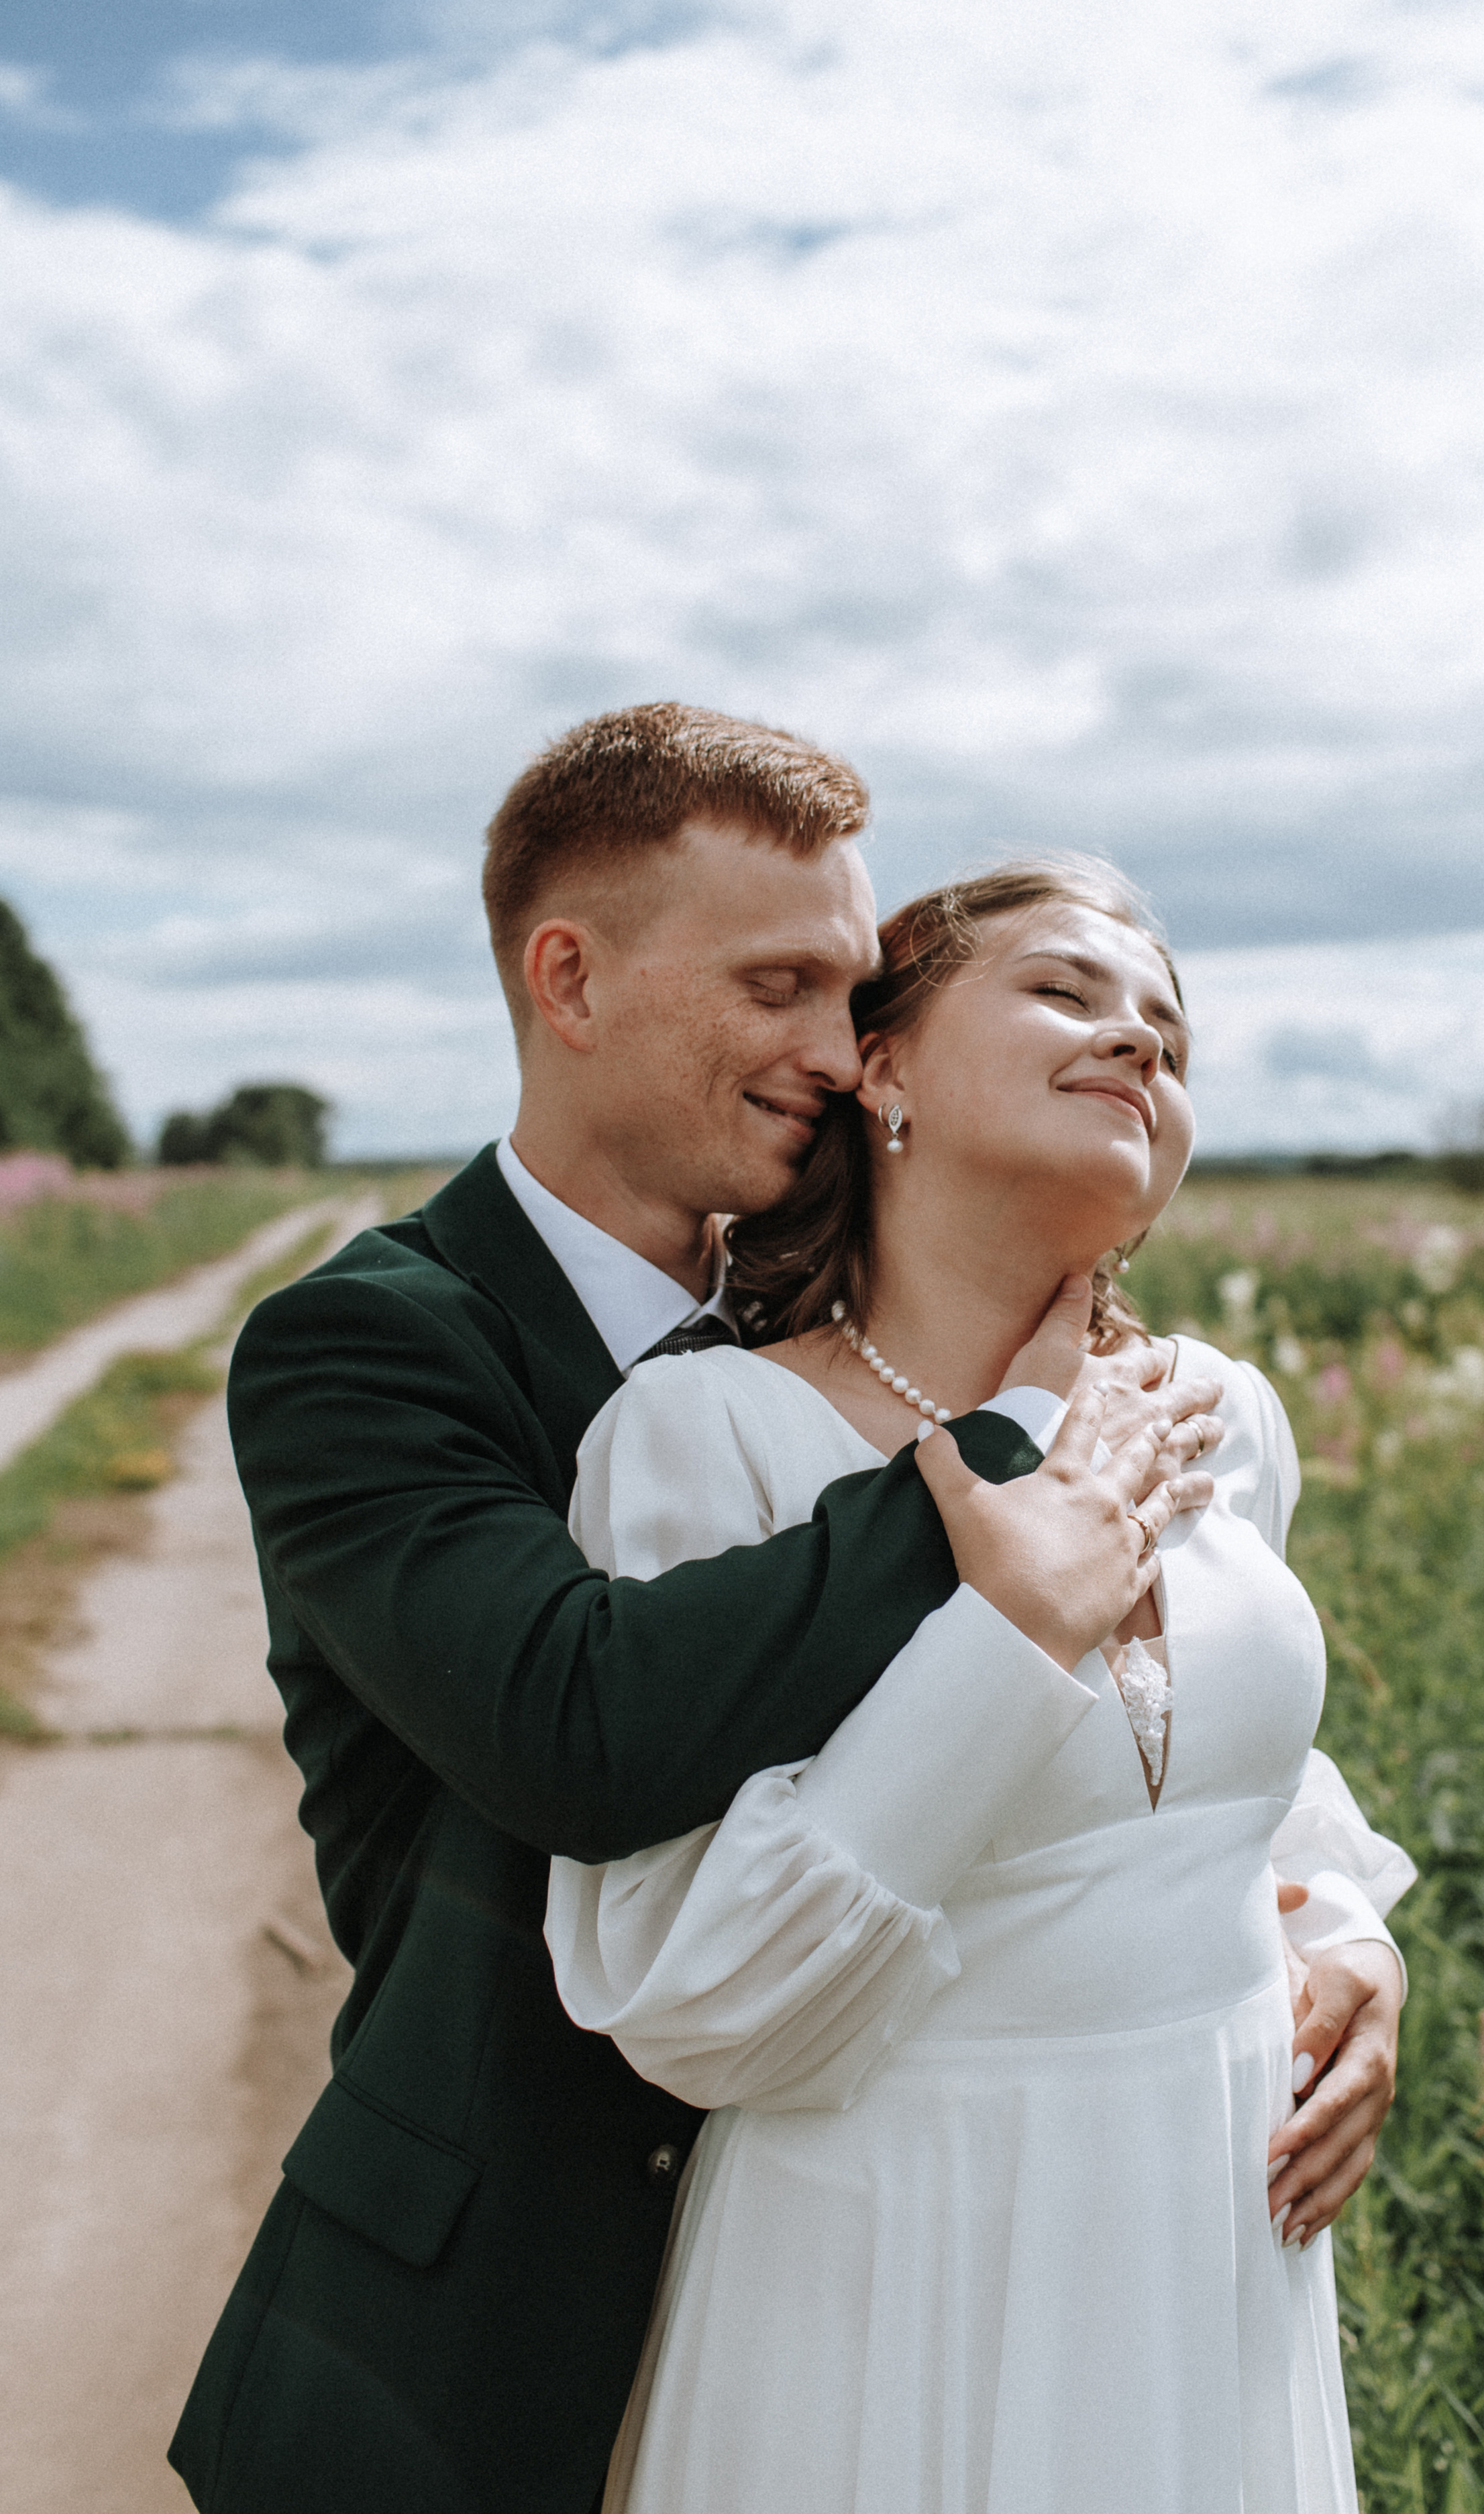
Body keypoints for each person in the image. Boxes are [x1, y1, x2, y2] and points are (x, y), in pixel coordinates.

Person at [168, 706, 1234, 2514]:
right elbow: (574, 1725)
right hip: (493, 2329)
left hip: (870, 2272)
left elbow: (1120, 1729)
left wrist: (1331, 1913)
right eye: (779, 987)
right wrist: (1012, 1458)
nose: (838, 1048)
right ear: (568, 982)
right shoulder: (368, 1344)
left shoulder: (842, 1316)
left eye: (858, 996)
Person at [545, 857, 1416, 2514]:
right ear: (881, 1068)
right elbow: (693, 1998)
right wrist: (1009, 1637)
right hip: (895, 2249)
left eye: (1163, 1026)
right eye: (1066, 993)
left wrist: (1346, 1938)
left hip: (1213, 2238)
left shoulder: (1214, 1414)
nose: (1134, 1042)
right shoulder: (706, 1439)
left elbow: (1232, 1773)